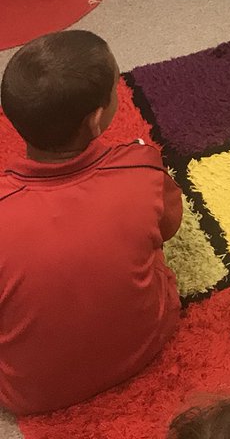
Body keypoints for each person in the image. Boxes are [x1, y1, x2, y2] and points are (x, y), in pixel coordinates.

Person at [0, 30, 183, 415]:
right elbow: (170, 225)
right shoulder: (141, 168)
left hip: (29, 394)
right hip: (148, 342)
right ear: (97, 120)